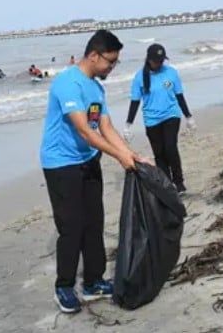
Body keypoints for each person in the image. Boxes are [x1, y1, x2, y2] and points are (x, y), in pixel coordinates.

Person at [39, 30, 152, 314]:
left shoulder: (96, 88)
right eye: (110, 61)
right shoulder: (67, 83)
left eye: (115, 62)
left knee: (94, 222)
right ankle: (64, 286)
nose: (112, 67)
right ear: (93, 55)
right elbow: (84, 131)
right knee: (72, 226)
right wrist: (119, 157)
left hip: (88, 161)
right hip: (61, 164)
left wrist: (131, 155)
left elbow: (105, 127)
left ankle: (93, 282)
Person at [122, 44, 195, 193]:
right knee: (159, 154)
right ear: (149, 59)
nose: (160, 63)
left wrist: (189, 117)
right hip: (151, 120)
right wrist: (128, 124)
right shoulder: (139, 77)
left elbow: (179, 96)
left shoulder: (171, 72)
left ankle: (179, 182)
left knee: (170, 148)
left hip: (171, 115)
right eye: (157, 61)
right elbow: (135, 101)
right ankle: (167, 184)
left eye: (162, 60)